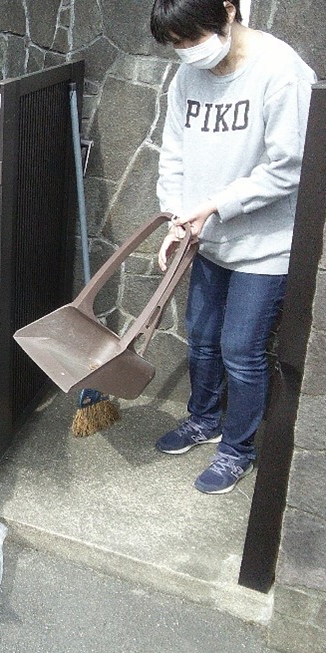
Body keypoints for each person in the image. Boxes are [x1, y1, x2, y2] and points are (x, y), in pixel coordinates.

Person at [149, 0, 316, 493]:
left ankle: (237, 449)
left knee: (241, 352)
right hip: (207, 237)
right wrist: (177, 218)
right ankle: (204, 420)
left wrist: (216, 206)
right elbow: (174, 152)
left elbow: (289, 165)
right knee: (200, 339)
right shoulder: (188, 78)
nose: (186, 53)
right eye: (175, 46)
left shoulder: (282, 72)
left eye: (190, 38)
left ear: (226, 10)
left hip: (265, 246)